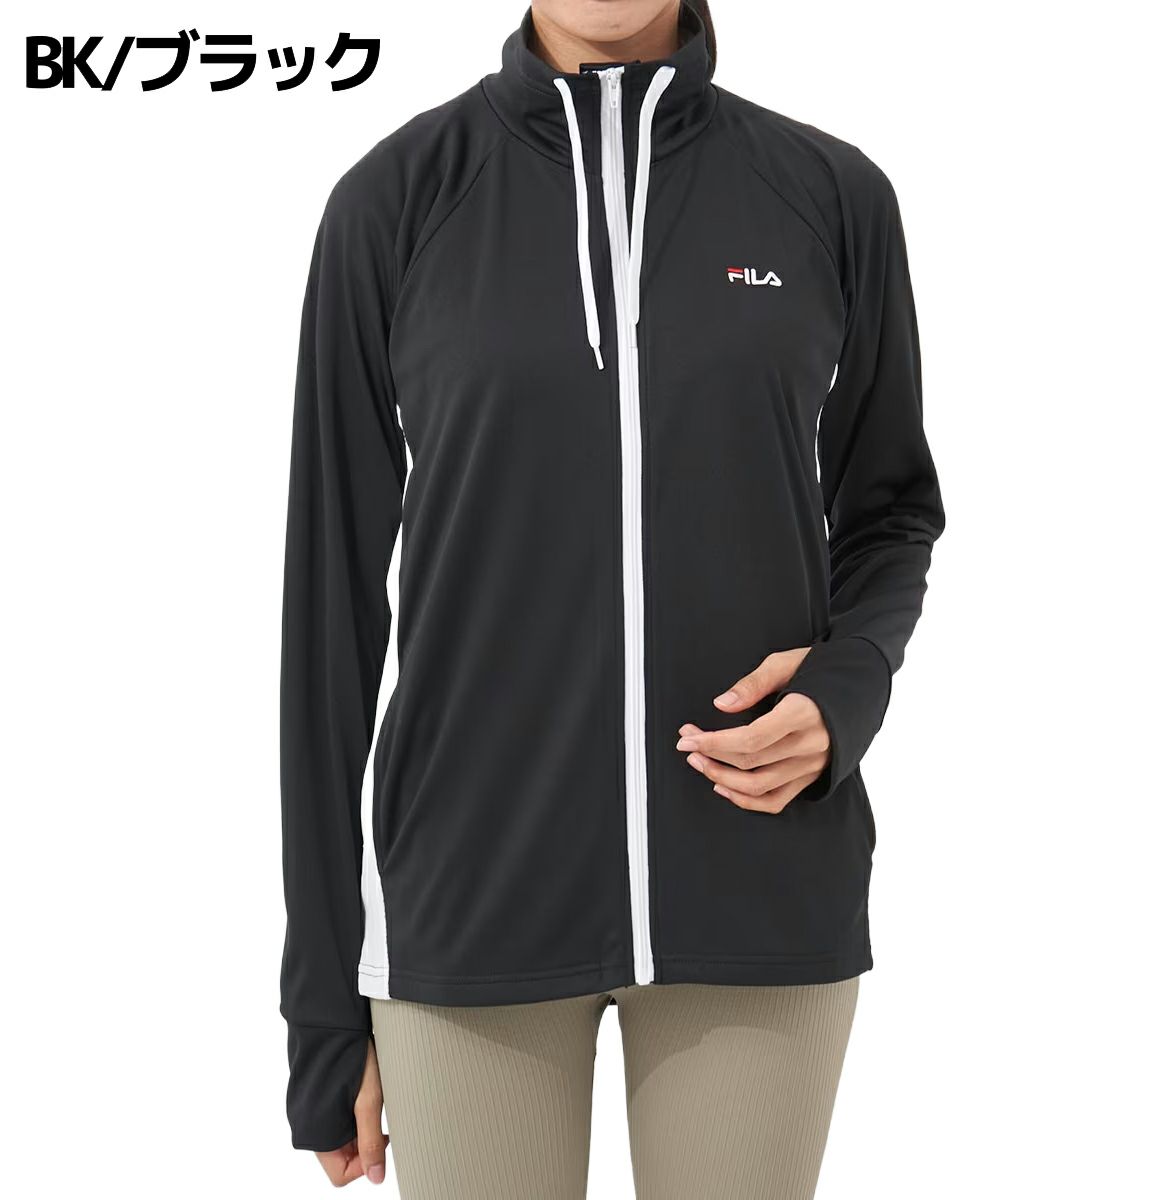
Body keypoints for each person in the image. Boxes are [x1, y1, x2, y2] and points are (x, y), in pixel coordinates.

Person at [279, 1, 944, 1195]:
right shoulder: (395, 202)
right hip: (468, 906)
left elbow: (891, 511)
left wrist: (846, 691)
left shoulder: (829, 195)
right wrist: (323, 1001)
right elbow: (327, 614)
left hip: (758, 887)